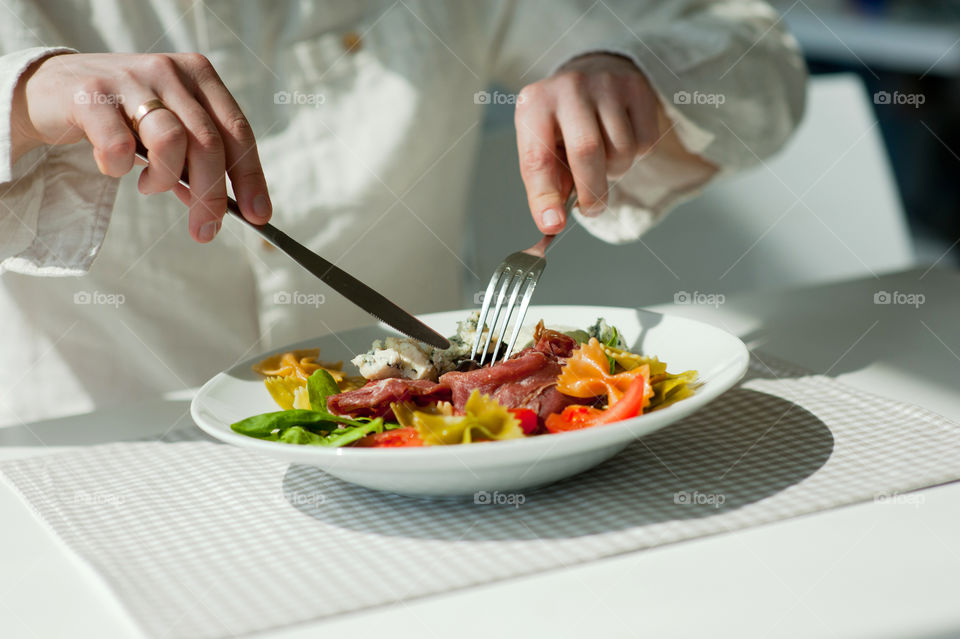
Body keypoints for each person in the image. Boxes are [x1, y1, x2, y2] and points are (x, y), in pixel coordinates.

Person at [0, 0, 806, 425]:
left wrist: (628, 69)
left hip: (434, 486)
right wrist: (24, 98)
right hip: (92, 473)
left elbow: (756, 48)